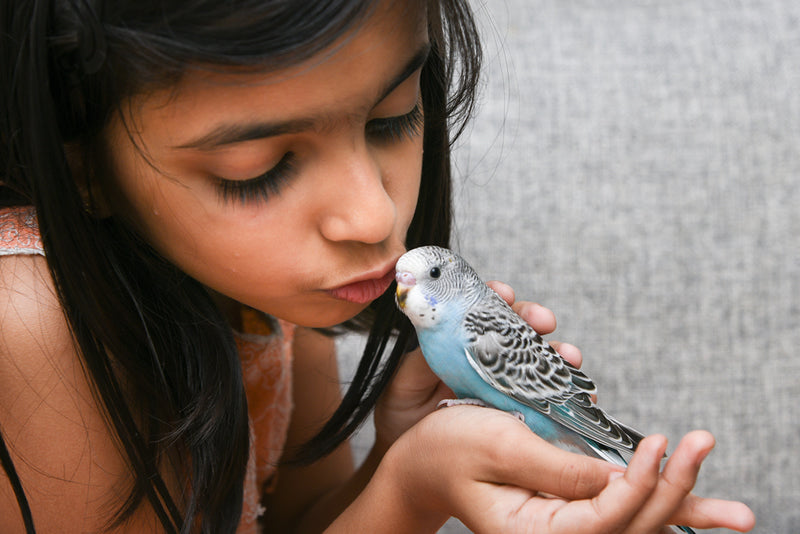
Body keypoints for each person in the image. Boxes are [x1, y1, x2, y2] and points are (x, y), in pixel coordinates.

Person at [0, 0, 756, 532]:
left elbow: (301, 523)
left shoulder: (276, 300)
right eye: (257, 168)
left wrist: (403, 450)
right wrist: (411, 493)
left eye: (394, 116)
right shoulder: (35, 322)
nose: (374, 219)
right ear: (82, 169)